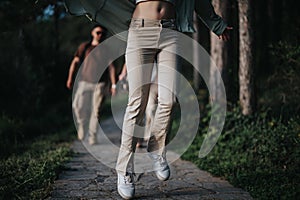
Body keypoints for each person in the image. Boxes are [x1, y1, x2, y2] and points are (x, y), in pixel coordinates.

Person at [115, 1, 232, 199]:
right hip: (140, 30)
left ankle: (156, 148)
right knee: (137, 104)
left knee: (169, 99)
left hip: (170, 32)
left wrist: (216, 24)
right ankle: (124, 170)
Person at [66, 24, 117, 145]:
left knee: (96, 111)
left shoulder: (107, 49)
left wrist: (113, 84)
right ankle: (82, 126)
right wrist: (70, 78)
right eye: (98, 32)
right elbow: (75, 62)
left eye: (103, 34)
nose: (100, 35)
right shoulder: (85, 47)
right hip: (84, 82)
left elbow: (111, 67)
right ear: (92, 33)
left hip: (100, 84)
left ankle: (92, 136)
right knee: (78, 107)